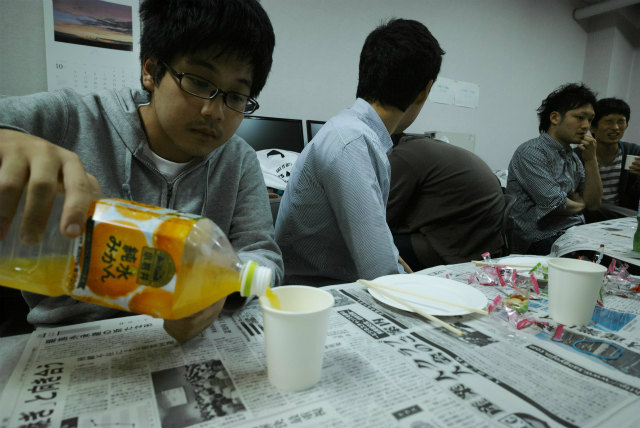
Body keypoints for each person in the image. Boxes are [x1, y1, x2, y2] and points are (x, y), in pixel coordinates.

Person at [0, 0, 283, 342]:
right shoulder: (73, 118)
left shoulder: (239, 159)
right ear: (150, 70)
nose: (214, 111)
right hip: (70, 340)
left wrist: (224, 291)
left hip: (181, 342)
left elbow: (264, 255)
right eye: (198, 81)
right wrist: (7, 139)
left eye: (235, 96)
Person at [275, 19, 445, 285]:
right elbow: (381, 272)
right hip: (319, 293)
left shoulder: (353, 133)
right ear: (425, 90)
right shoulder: (351, 143)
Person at [506, 83, 602, 255]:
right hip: (540, 238)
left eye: (590, 120)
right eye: (580, 117)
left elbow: (594, 204)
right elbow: (556, 203)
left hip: (573, 232)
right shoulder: (532, 152)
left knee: (617, 257)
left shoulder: (572, 157)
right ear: (555, 118)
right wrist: (581, 204)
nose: (586, 126)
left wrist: (591, 160)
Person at [387, 134, 506, 270]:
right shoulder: (427, 147)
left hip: (458, 251)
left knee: (376, 244)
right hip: (486, 243)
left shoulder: (403, 155)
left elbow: (383, 213)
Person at [575, 97, 640, 221]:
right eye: (609, 121)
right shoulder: (577, 156)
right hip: (590, 218)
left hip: (623, 219)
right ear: (592, 127)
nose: (615, 127)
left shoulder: (634, 152)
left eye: (621, 121)